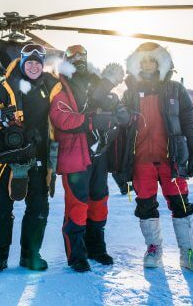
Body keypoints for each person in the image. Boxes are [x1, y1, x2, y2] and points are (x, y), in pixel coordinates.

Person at [116, 42, 193, 273]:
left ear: (160, 63)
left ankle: (189, 253)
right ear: (137, 64)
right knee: (145, 205)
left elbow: (189, 121)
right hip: (141, 161)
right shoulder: (128, 93)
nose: (148, 64)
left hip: (172, 159)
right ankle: (154, 249)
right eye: (143, 60)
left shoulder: (175, 89)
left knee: (181, 205)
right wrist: (118, 164)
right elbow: (120, 128)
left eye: (152, 60)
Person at [0, 43, 57, 272]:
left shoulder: (50, 85)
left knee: (39, 207)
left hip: (40, 157)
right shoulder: (3, 86)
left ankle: (30, 254)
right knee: (2, 207)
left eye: (37, 63)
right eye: (29, 62)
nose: (33, 67)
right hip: (8, 158)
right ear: (22, 63)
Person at [49, 45, 129, 272]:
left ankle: (97, 248)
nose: (78, 59)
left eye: (82, 55)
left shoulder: (95, 83)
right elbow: (61, 117)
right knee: (77, 204)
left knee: (99, 201)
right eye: (73, 56)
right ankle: (76, 254)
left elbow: (107, 101)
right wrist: (92, 122)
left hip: (99, 152)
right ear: (66, 59)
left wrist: (118, 106)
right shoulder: (60, 86)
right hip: (75, 154)